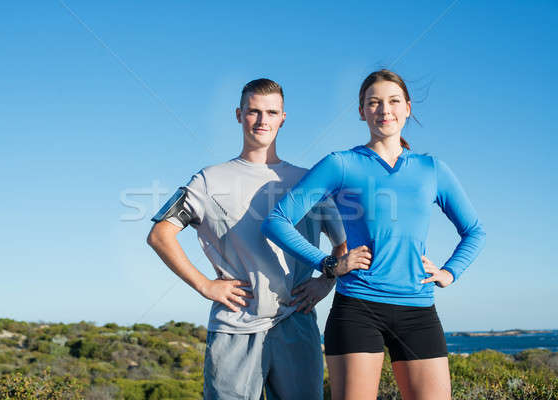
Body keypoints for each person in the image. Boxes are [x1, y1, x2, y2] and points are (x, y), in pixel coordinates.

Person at [261, 69, 486, 400]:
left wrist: (450, 272)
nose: (385, 110)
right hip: (357, 309)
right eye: (374, 102)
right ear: (362, 110)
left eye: (393, 101)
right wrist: (329, 263)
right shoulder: (341, 164)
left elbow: (474, 231)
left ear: (408, 107)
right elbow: (276, 220)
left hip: (419, 311)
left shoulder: (431, 169)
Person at [146, 78, 364, 399]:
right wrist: (205, 285)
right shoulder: (208, 180)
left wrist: (325, 281)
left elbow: (343, 244)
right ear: (239, 114)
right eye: (254, 112)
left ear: (283, 118)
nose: (262, 121)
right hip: (234, 326)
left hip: (297, 322)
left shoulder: (308, 181)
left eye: (271, 112)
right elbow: (160, 234)